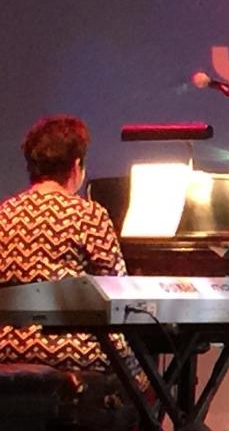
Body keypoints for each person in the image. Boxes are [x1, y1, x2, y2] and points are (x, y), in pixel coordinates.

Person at [0, 115, 145, 390]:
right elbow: (117, 290)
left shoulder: (4, 213)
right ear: (76, 165)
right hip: (72, 349)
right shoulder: (87, 213)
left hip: (5, 347)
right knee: (146, 378)